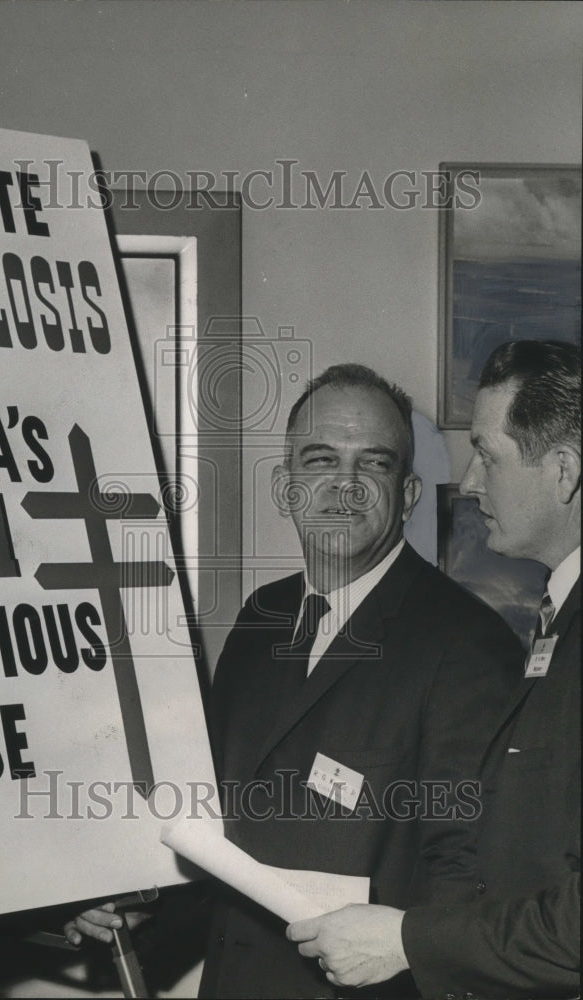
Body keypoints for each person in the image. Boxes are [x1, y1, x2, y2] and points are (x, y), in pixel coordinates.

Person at [67, 364, 522, 998]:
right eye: (320, 460)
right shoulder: (260, 620)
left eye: (375, 464)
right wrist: (145, 907)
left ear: (410, 494)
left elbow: (467, 877)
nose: (346, 486)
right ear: (286, 487)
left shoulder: (468, 646)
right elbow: (223, 830)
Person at [287, 340, 581, 999]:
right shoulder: (556, 621)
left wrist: (404, 941)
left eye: (487, 454)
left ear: (564, 472)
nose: (471, 483)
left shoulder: (474, 641)